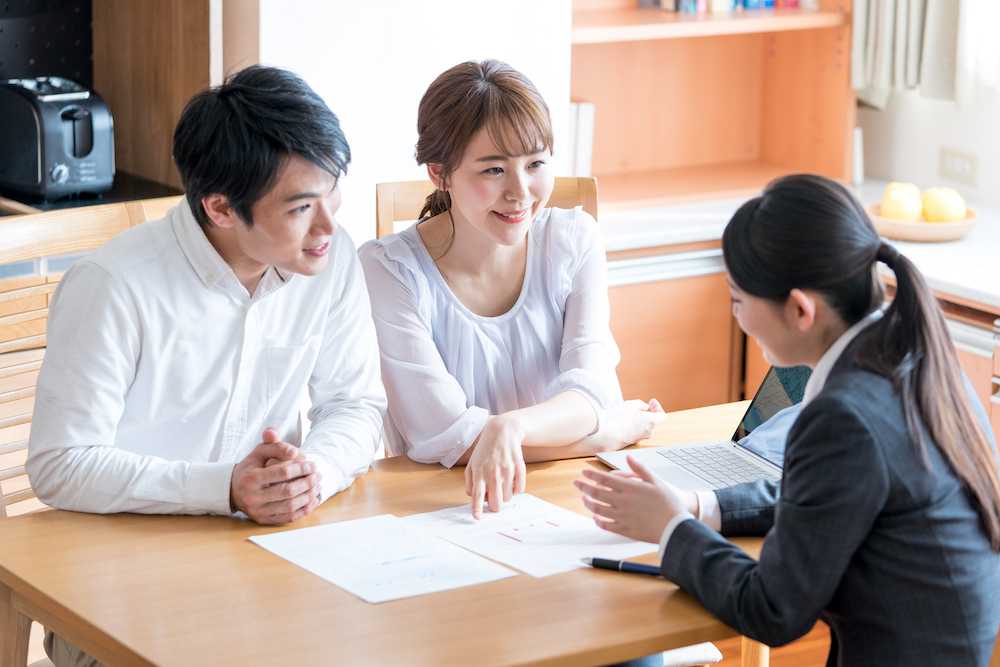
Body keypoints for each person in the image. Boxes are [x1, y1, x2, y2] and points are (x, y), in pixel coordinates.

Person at [27, 66, 386, 667]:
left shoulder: (329, 256)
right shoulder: (114, 285)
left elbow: (356, 404)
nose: (328, 226)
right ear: (220, 208)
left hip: (272, 564)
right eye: (301, 207)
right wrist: (225, 487)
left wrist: (313, 474)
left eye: (333, 194)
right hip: (123, 585)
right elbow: (61, 465)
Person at [577, 174, 1000, 667]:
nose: (734, 313)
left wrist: (670, 529)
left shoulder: (844, 415)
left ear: (800, 309)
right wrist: (700, 505)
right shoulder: (911, 350)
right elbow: (825, 497)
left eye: (737, 298)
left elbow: (772, 609)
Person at [359, 60, 664, 519]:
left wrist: (509, 428)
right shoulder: (388, 269)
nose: (521, 192)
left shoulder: (573, 239)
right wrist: (602, 436)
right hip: (445, 506)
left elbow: (594, 392)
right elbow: (441, 437)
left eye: (536, 163)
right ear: (440, 174)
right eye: (493, 170)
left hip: (571, 496)